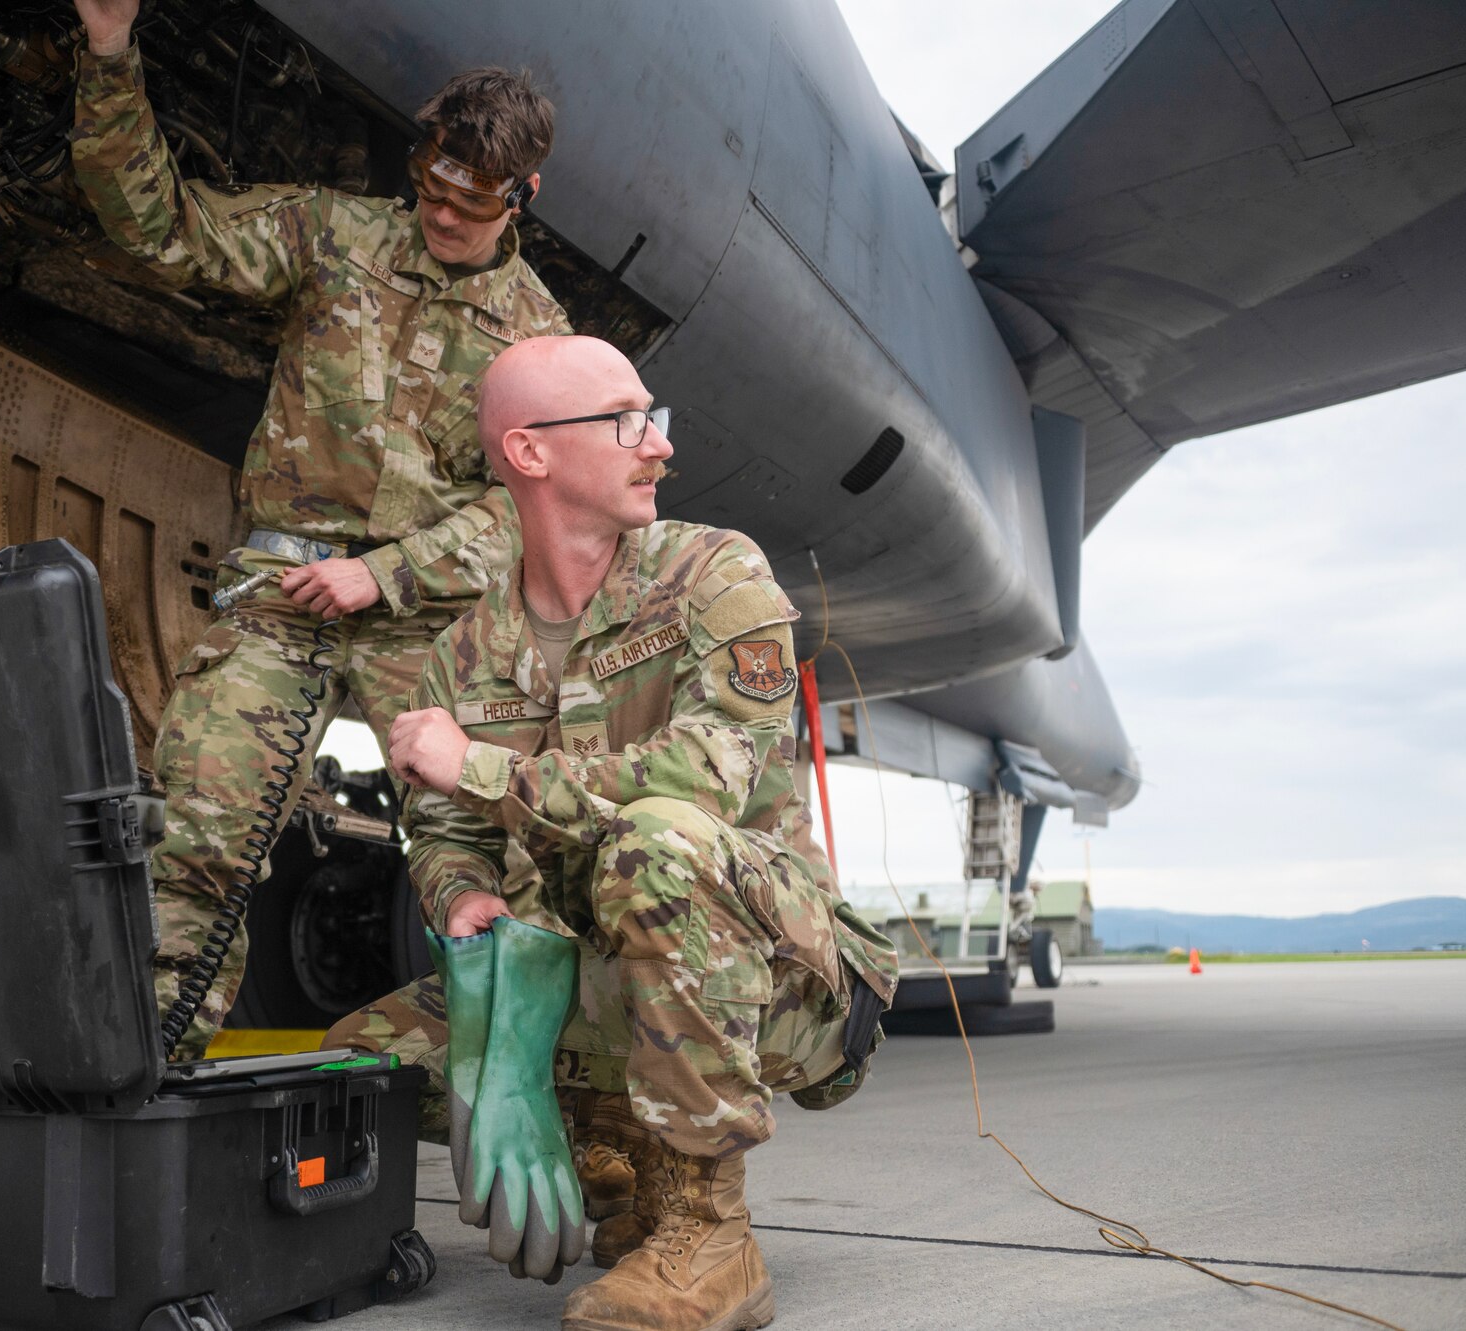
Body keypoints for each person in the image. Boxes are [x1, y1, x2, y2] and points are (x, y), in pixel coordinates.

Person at [340, 336, 898, 1330]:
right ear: (529, 453)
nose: (657, 446)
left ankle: (707, 1235)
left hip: (775, 974)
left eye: (654, 417)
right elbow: (438, 837)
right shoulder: (459, 657)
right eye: (624, 420)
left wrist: (476, 764)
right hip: (592, 966)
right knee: (363, 1060)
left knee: (659, 843)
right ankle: (615, 1153)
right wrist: (465, 905)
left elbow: (703, 778)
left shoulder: (711, 573)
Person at [69, 1, 570, 1057]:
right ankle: (135, 1080)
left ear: (521, 196)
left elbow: (522, 506)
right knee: (200, 839)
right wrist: (112, 57)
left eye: (472, 203)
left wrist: (384, 574)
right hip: (278, 597)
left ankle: (506, 1095)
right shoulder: (334, 236)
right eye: (431, 187)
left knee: (494, 866)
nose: (442, 215)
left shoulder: (538, 340)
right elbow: (160, 229)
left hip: (418, 625)